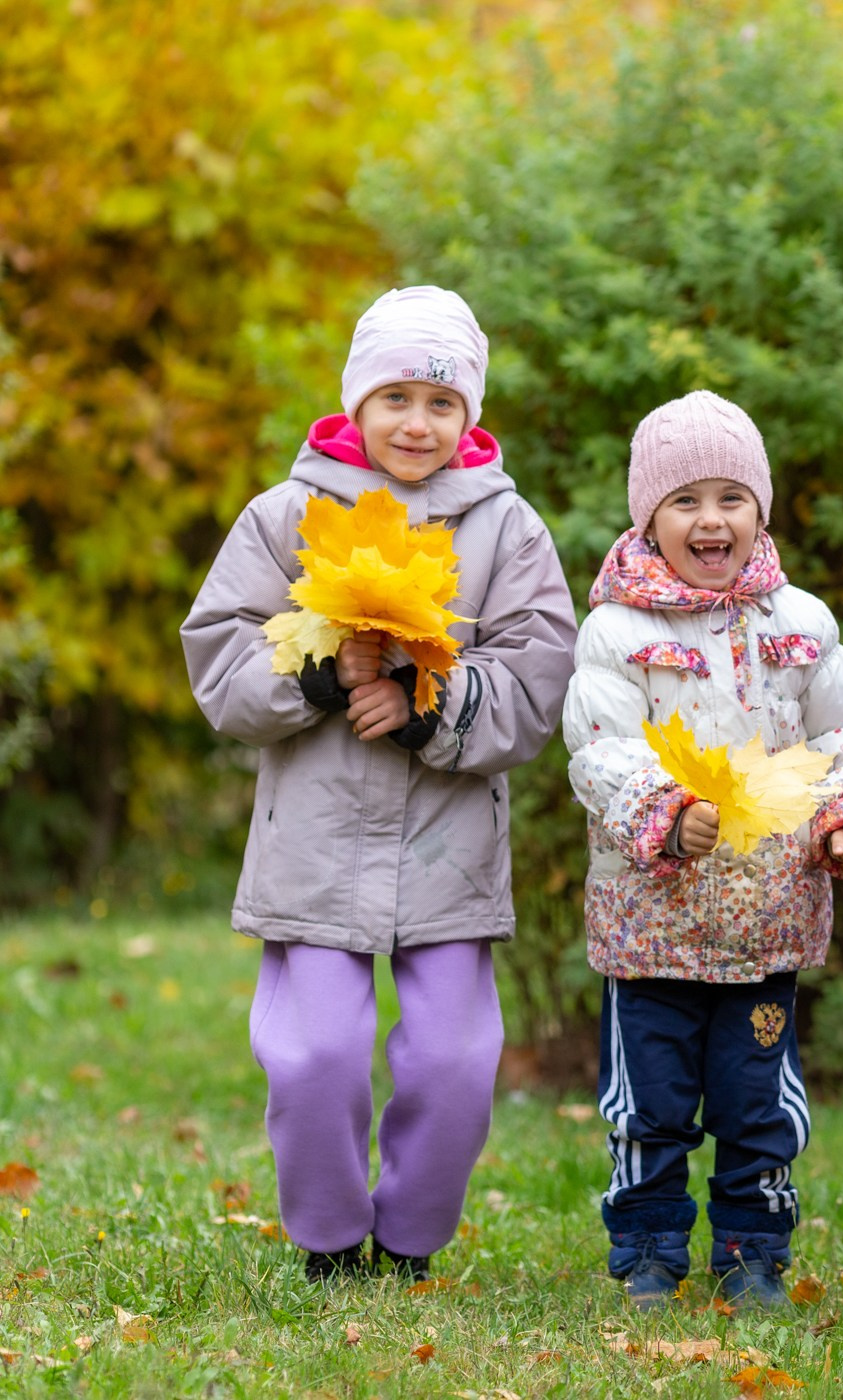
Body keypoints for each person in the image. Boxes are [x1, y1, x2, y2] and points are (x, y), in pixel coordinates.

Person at [182, 286, 576, 1282]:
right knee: (314, 1054)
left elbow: (539, 676)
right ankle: (328, 1239)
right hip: (315, 843)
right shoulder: (287, 516)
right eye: (396, 395)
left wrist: (430, 705)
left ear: (469, 416)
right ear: (357, 401)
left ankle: (407, 1237)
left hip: (447, 846)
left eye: (443, 403)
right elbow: (221, 663)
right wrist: (317, 673)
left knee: (453, 1061)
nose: (418, 421)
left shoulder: (507, 530)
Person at [563, 390, 843, 1308]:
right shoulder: (618, 632)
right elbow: (600, 749)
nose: (711, 520)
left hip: (764, 923)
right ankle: (649, 1249)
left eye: (730, 498)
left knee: (760, 1109)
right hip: (651, 926)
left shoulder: (801, 626)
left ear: (761, 510)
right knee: (649, 1108)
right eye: (686, 502)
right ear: (649, 518)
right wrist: (665, 811)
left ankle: (754, 1251)